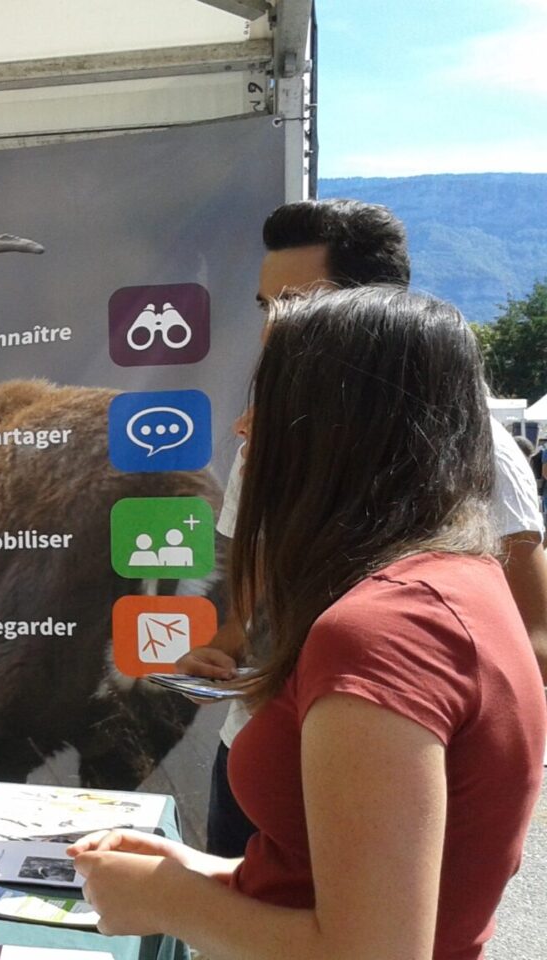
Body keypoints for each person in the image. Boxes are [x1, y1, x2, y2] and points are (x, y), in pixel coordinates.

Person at [71, 286, 546, 959]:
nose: (242, 427)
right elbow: (347, 886)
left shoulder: (384, 632)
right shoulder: (452, 582)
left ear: (334, 427)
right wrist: (199, 874)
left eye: (269, 399)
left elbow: (372, 951)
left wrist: (168, 901)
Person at [180, 198, 547, 858]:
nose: (270, 331)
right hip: (254, 758)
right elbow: (257, 591)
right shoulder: (267, 437)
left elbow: (532, 642)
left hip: (386, 785)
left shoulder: (475, 449)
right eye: (266, 306)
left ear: (374, 313)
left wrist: (404, 730)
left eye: (294, 303)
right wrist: (229, 650)